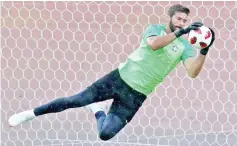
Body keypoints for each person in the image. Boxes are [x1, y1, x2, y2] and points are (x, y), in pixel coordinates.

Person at [8, 4, 215, 141]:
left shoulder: (185, 46)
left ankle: (97, 110)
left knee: (105, 134)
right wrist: (180, 33)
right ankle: (29, 114)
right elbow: (153, 45)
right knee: (76, 99)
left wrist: (204, 50)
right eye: (179, 19)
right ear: (170, 18)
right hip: (118, 79)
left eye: (185, 21)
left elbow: (192, 72)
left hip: (136, 95)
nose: (181, 23)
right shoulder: (155, 29)